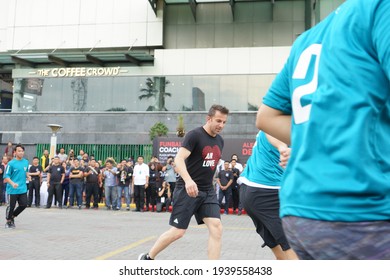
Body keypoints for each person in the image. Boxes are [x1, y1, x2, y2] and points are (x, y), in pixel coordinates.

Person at [257, 0, 390, 260]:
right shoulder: (379, 8)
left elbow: (267, 116)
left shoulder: (308, 38)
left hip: (303, 212)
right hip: (362, 208)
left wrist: (320, 141)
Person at [138, 104, 229, 260]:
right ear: (209, 119)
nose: (221, 125)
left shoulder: (220, 140)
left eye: (224, 122)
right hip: (188, 190)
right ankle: (148, 257)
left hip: (207, 191)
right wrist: (188, 181)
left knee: (217, 228)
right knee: (178, 232)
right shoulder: (194, 135)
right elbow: (179, 159)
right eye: (218, 121)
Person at [238, 131, 297, 260]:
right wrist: (283, 147)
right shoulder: (289, 121)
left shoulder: (271, 118)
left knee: (281, 252)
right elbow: (271, 130)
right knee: (293, 247)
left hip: (250, 190)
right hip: (266, 192)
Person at [3, 144, 30, 229]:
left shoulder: (26, 162)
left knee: (24, 205)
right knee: (11, 206)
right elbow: (6, 176)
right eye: (19, 151)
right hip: (12, 189)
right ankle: (8, 221)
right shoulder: (11, 164)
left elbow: (25, 171)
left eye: (22, 151)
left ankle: (12, 217)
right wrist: (12, 183)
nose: (21, 152)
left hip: (22, 188)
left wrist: (28, 176)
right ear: (15, 152)